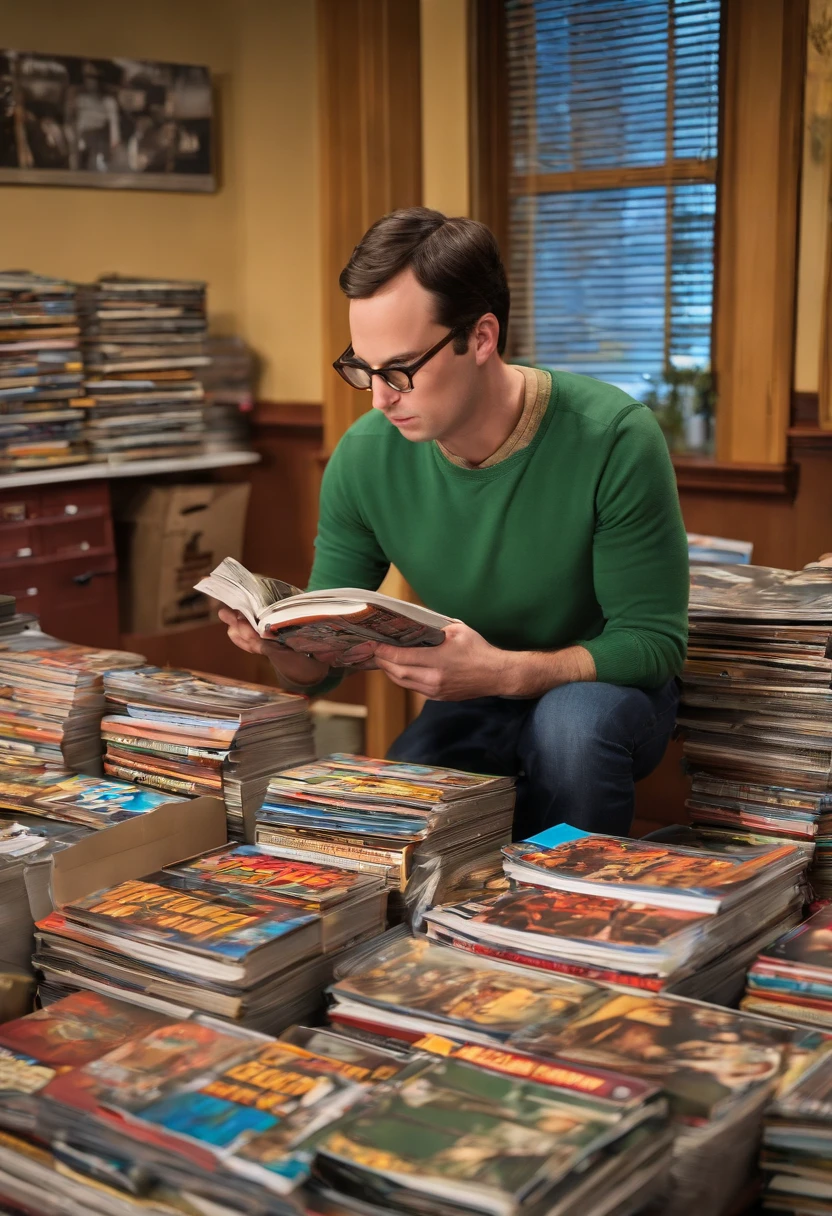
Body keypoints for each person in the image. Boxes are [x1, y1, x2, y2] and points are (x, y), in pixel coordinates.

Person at [221, 207, 689, 837]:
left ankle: (569, 923)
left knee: (571, 732)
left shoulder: (614, 438)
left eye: (400, 370)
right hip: (472, 693)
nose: (380, 396)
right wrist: (286, 646)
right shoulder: (363, 457)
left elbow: (654, 645)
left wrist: (507, 671)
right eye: (362, 367)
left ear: (482, 337)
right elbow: (321, 671)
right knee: (398, 802)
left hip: (603, 686)